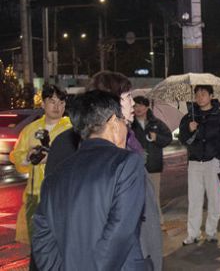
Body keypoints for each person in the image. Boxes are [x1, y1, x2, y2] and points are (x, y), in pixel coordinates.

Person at [42, 71, 163, 270]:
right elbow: (50, 220)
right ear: (109, 102)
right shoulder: (68, 146)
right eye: (127, 97)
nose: (133, 104)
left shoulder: (131, 140)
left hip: (139, 254)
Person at [9, 85, 71, 245]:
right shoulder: (30, 130)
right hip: (34, 195)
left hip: (63, 194)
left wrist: (53, 158)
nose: (57, 106)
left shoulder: (72, 129)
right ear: (42, 104)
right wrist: (28, 157)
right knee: (36, 246)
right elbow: (16, 157)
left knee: (62, 243)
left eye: (61, 102)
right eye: (52, 101)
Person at [178, 85, 220, 245]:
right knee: (194, 200)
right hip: (195, 162)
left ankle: (211, 232)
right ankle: (193, 234)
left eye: (203, 94)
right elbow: (183, 138)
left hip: (213, 163)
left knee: (214, 199)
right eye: (197, 94)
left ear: (211, 96)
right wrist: (189, 129)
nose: (200, 97)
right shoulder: (190, 116)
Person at [132, 95, 173, 220]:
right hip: (136, 166)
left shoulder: (157, 123)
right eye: (135, 105)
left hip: (153, 165)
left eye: (140, 105)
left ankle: (158, 221)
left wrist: (157, 138)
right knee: (137, 196)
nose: (137, 108)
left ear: (147, 107)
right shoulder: (130, 124)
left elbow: (168, 138)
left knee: (154, 195)